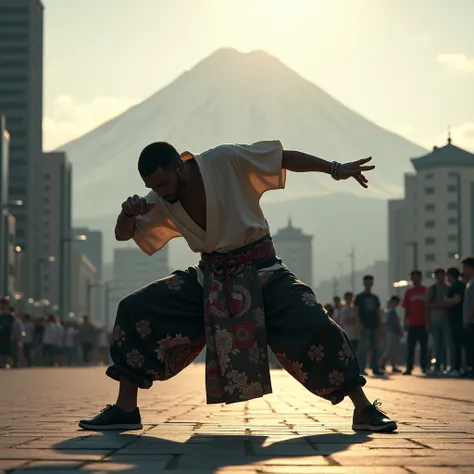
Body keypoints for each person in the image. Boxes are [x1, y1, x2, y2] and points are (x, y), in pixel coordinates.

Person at [79, 140, 396, 432]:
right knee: (135, 308)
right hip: (210, 278)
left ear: (180, 165)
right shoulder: (160, 198)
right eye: (152, 187)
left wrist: (334, 168)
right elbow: (124, 233)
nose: (159, 192)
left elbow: (280, 157)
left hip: (263, 271)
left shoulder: (224, 160)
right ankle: (125, 409)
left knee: (312, 319)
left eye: (162, 184)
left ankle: (364, 408)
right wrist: (126, 212)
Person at [354, 275, 384, 376]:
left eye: (370, 282)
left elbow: (378, 312)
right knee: (362, 348)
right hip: (364, 326)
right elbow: (356, 311)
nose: (368, 284)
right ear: (364, 283)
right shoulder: (359, 297)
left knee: (376, 348)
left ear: (372, 283)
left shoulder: (375, 298)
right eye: (367, 282)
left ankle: (375, 368)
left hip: (374, 325)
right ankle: (361, 368)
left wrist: (380, 326)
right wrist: (359, 323)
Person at [424, 268, 450, 375]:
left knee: (446, 344)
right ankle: (437, 366)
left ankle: (445, 366)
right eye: (438, 275)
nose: (441, 278)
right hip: (434, 320)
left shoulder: (448, 289)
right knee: (437, 345)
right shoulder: (432, 289)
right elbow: (426, 305)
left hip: (446, 320)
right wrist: (427, 322)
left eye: (442, 275)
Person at [402, 270, 428, 375]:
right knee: (410, 347)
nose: (415, 280)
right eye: (414, 278)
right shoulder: (409, 292)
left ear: (421, 278)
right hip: (412, 324)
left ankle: (424, 367)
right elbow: (406, 308)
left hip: (423, 323)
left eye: (417, 277)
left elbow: (427, 307)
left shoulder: (426, 290)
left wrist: (428, 322)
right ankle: (409, 367)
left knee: (424, 347)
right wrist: (405, 321)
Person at [441, 267, 465, 377]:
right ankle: (456, 367)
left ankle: (457, 368)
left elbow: (457, 300)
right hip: (454, 319)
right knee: (455, 344)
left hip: (457, 319)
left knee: (457, 345)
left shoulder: (457, 286)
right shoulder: (457, 285)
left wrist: (445, 302)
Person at [380, 296, 403, 373]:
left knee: (392, 350)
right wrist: (400, 331)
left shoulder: (388, 311)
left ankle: (393, 365)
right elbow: (395, 323)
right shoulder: (391, 311)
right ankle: (382, 364)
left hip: (390, 332)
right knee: (390, 349)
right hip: (392, 332)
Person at [461, 257, 474, 378]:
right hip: (469, 320)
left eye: (465, 268)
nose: (464, 270)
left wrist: (468, 319)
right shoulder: (469, 282)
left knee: (471, 345)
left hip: (472, 321)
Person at [0, 297, 15, 368]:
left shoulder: (10, 316)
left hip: (7, 334)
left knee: (8, 350)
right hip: (1, 334)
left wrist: (12, 335)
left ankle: (8, 363)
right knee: (1, 350)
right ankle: (2, 363)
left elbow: (12, 326)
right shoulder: (1, 315)